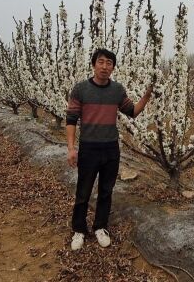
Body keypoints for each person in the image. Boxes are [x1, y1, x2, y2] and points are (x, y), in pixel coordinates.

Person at [65, 48, 152, 251]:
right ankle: (79, 229)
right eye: (101, 62)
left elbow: (132, 112)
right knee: (83, 191)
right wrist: (71, 148)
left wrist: (146, 97)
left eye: (109, 63)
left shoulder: (117, 91)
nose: (105, 67)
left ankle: (100, 227)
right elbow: (71, 119)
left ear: (113, 67)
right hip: (88, 148)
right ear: (94, 64)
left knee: (106, 190)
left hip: (111, 148)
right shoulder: (80, 90)